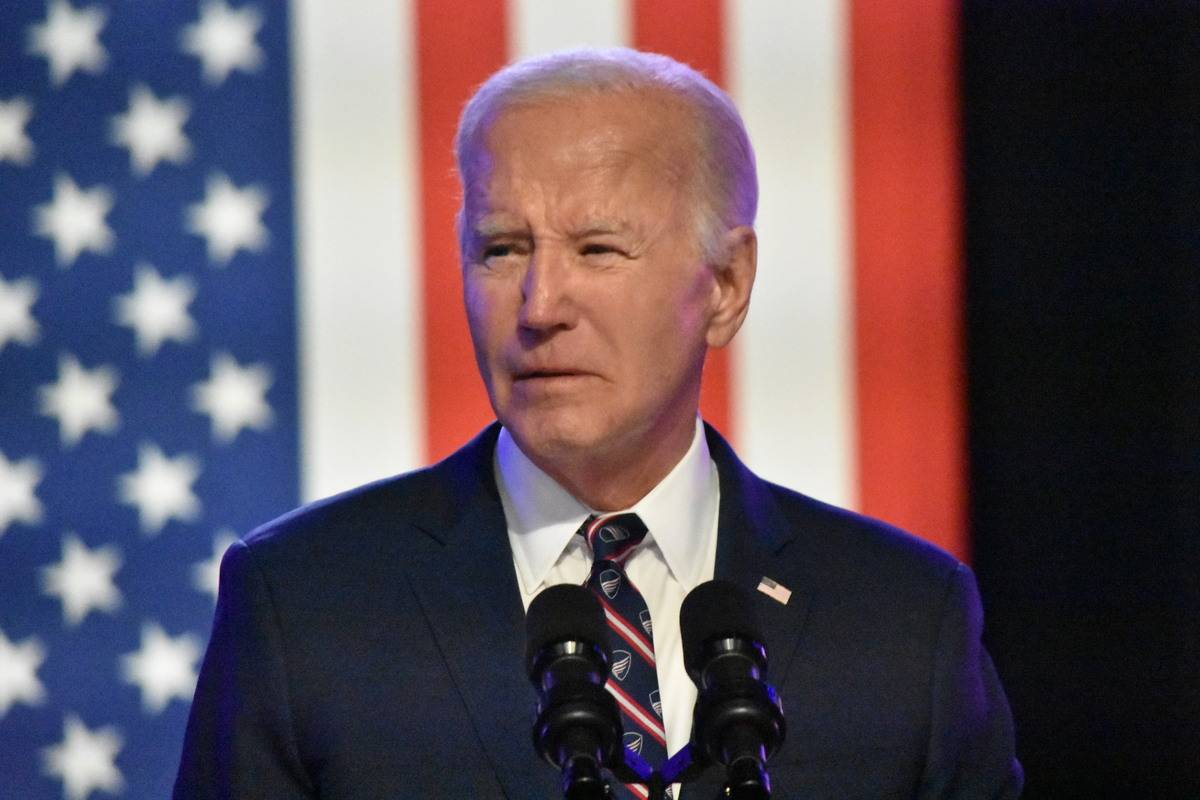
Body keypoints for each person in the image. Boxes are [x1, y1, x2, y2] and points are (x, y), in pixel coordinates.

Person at [174, 47, 1022, 799]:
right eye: (501, 249)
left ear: (725, 285)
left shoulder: (907, 624)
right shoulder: (306, 607)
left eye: (597, 250)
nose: (539, 307)